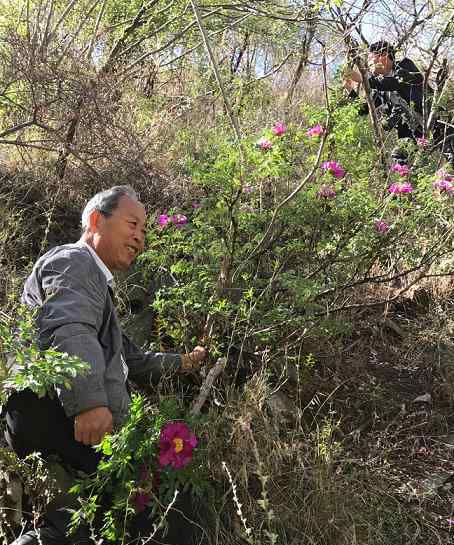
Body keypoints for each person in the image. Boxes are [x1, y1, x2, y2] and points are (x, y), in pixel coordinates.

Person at [5, 185, 207, 545]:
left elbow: (131, 358)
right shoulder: (74, 261)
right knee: (140, 515)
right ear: (97, 220)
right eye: (133, 224)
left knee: (87, 523)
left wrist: (183, 363)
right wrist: (89, 403)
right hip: (57, 411)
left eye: (145, 230)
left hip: (64, 417)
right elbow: (69, 327)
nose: (140, 238)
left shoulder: (96, 285)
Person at [344, 40, 454, 166]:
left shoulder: (405, 66)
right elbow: (363, 110)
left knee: (451, 156)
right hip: (411, 134)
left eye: (370, 59)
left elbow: (395, 83)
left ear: (383, 55)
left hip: (434, 122)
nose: (369, 64)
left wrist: (363, 79)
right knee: (400, 160)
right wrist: (349, 89)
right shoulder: (380, 90)